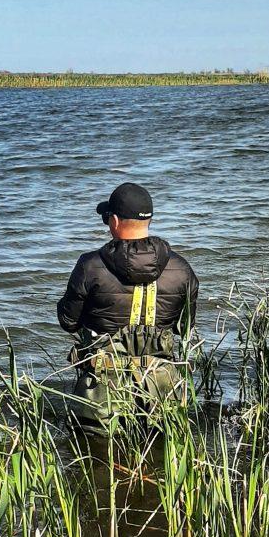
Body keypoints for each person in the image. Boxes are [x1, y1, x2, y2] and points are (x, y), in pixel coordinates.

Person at [57, 182, 199, 435]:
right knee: (159, 452)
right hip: (160, 389)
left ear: (113, 220)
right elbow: (185, 327)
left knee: (98, 459)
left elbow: (68, 321)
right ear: (149, 220)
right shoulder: (181, 268)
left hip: (102, 394)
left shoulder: (90, 265)